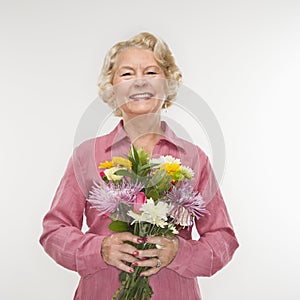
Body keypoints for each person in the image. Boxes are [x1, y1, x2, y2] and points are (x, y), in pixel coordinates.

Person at [40, 32, 239, 299]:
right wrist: (99, 249)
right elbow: (54, 231)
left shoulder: (194, 158)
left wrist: (180, 252)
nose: (140, 80)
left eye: (151, 71)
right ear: (112, 88)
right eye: (126, 74)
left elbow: (223, 239)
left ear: (168, 84)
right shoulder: (87, 155)